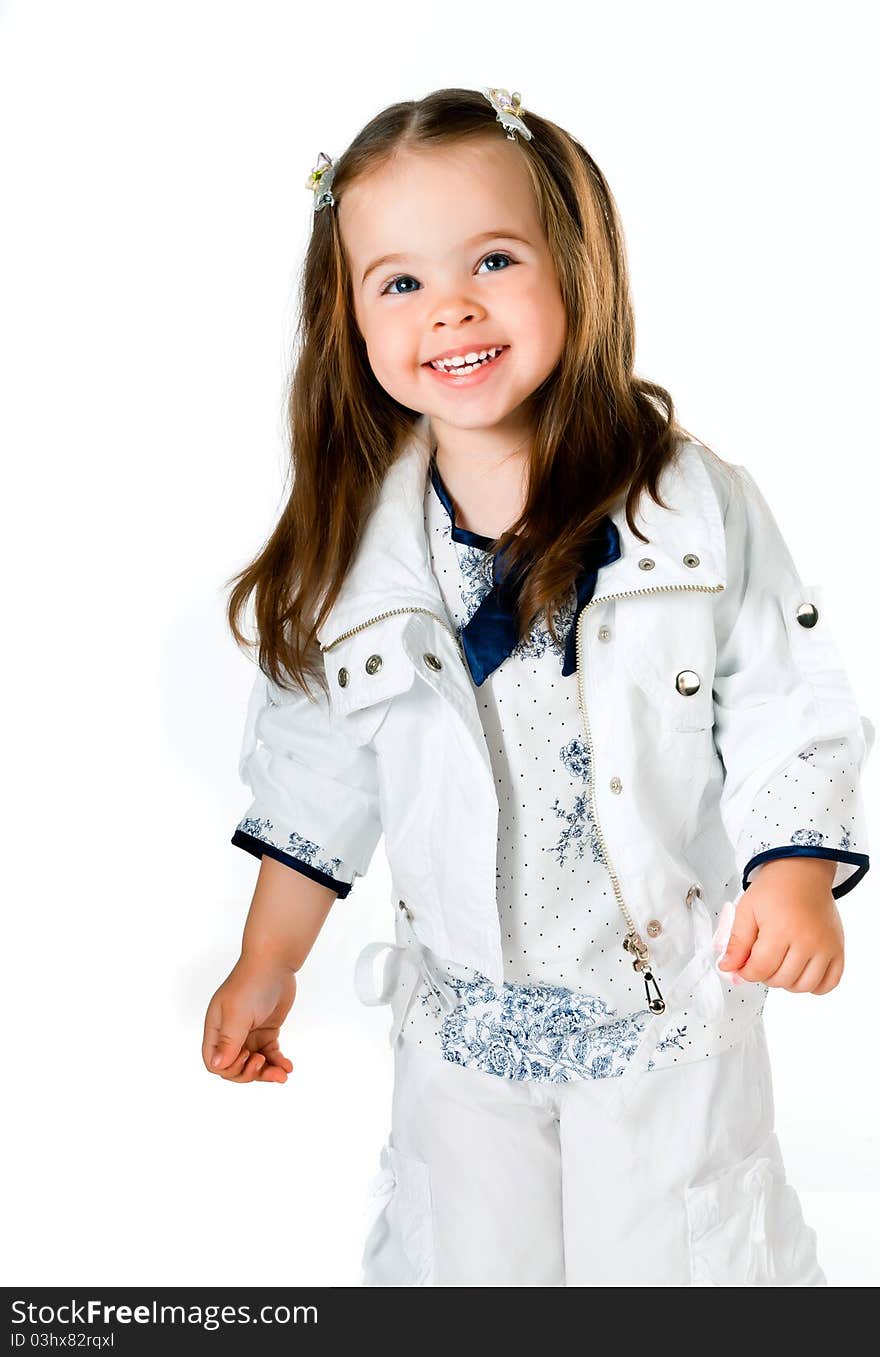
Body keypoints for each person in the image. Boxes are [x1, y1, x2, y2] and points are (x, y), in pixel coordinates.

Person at [201, 86, 873, 1286]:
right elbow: (316, 770)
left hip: (666, 1017)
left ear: (575, 265)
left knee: (678, 1266)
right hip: (465, 1024)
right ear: (349, 318)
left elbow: (784, 698)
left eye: (492, 260)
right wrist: (268, 963)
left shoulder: (692, 508)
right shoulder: (360, 548)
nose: (448, 306)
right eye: (397, 282)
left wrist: (794, 869)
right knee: (467, 1270)